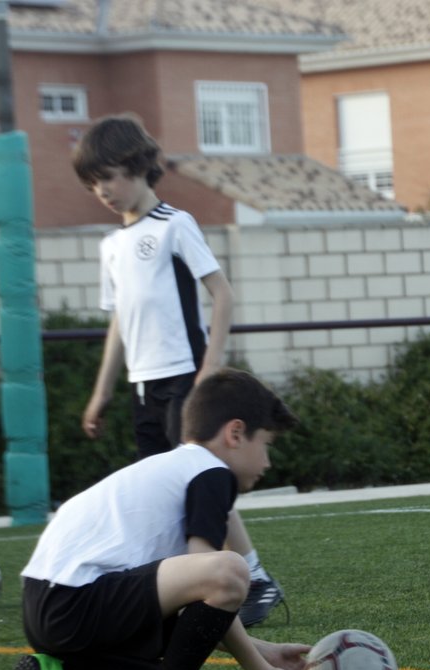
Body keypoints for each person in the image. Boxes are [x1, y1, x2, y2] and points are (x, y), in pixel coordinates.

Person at [14, 368, 316, 670]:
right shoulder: (210, 471)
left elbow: (194, 604)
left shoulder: (171, 467)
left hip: (50, 613)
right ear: (236, 433)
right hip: (78, 604)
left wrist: (264, 651)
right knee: (229, 568)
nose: (267, 462)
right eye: (266, 444)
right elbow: (213, 578)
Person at [71, 115, 284, 628]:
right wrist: (101, 392)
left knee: (201, 481)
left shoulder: (174, 225)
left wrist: (209, 369)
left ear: (138, 167)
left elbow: (223, 294)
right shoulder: (111, 246)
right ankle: (180, 584)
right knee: (164, 490)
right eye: (93, 183)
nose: (102, 191)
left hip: (185, 379)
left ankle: (256, 577)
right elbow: (120, 322)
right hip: (142, 386)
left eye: (109, 177)